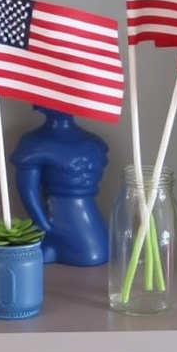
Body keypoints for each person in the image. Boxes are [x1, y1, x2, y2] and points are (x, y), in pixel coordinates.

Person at [9, 106, 110, 265]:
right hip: (58, 221)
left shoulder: (94, 142)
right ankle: (54, 245)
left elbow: (27, 189)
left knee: (94, 253)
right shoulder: (34, 144)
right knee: (90, 253)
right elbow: (27, 190)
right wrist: (44, 226)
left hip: (89, 224)